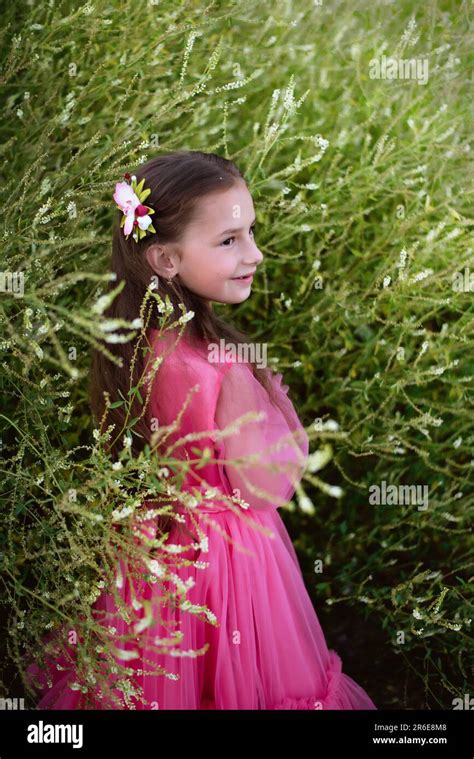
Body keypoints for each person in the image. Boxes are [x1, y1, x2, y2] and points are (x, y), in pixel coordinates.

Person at [26, 150, 376, 710]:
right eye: (229, 240)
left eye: (251, 232)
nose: (255, 254)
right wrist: (278, 407)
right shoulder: (220, 366)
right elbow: (267, 486)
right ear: (165, 258)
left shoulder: (141, 347)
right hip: (231, 562)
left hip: (157, 546)